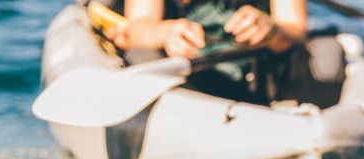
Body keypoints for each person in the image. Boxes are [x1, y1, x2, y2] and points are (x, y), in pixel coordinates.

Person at [109, 0, 309, 101]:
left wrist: (270, 29)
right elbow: (138, 27)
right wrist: (168, 32)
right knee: (142, 55)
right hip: (183, 77)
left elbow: (294, 29)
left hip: (253, 76)